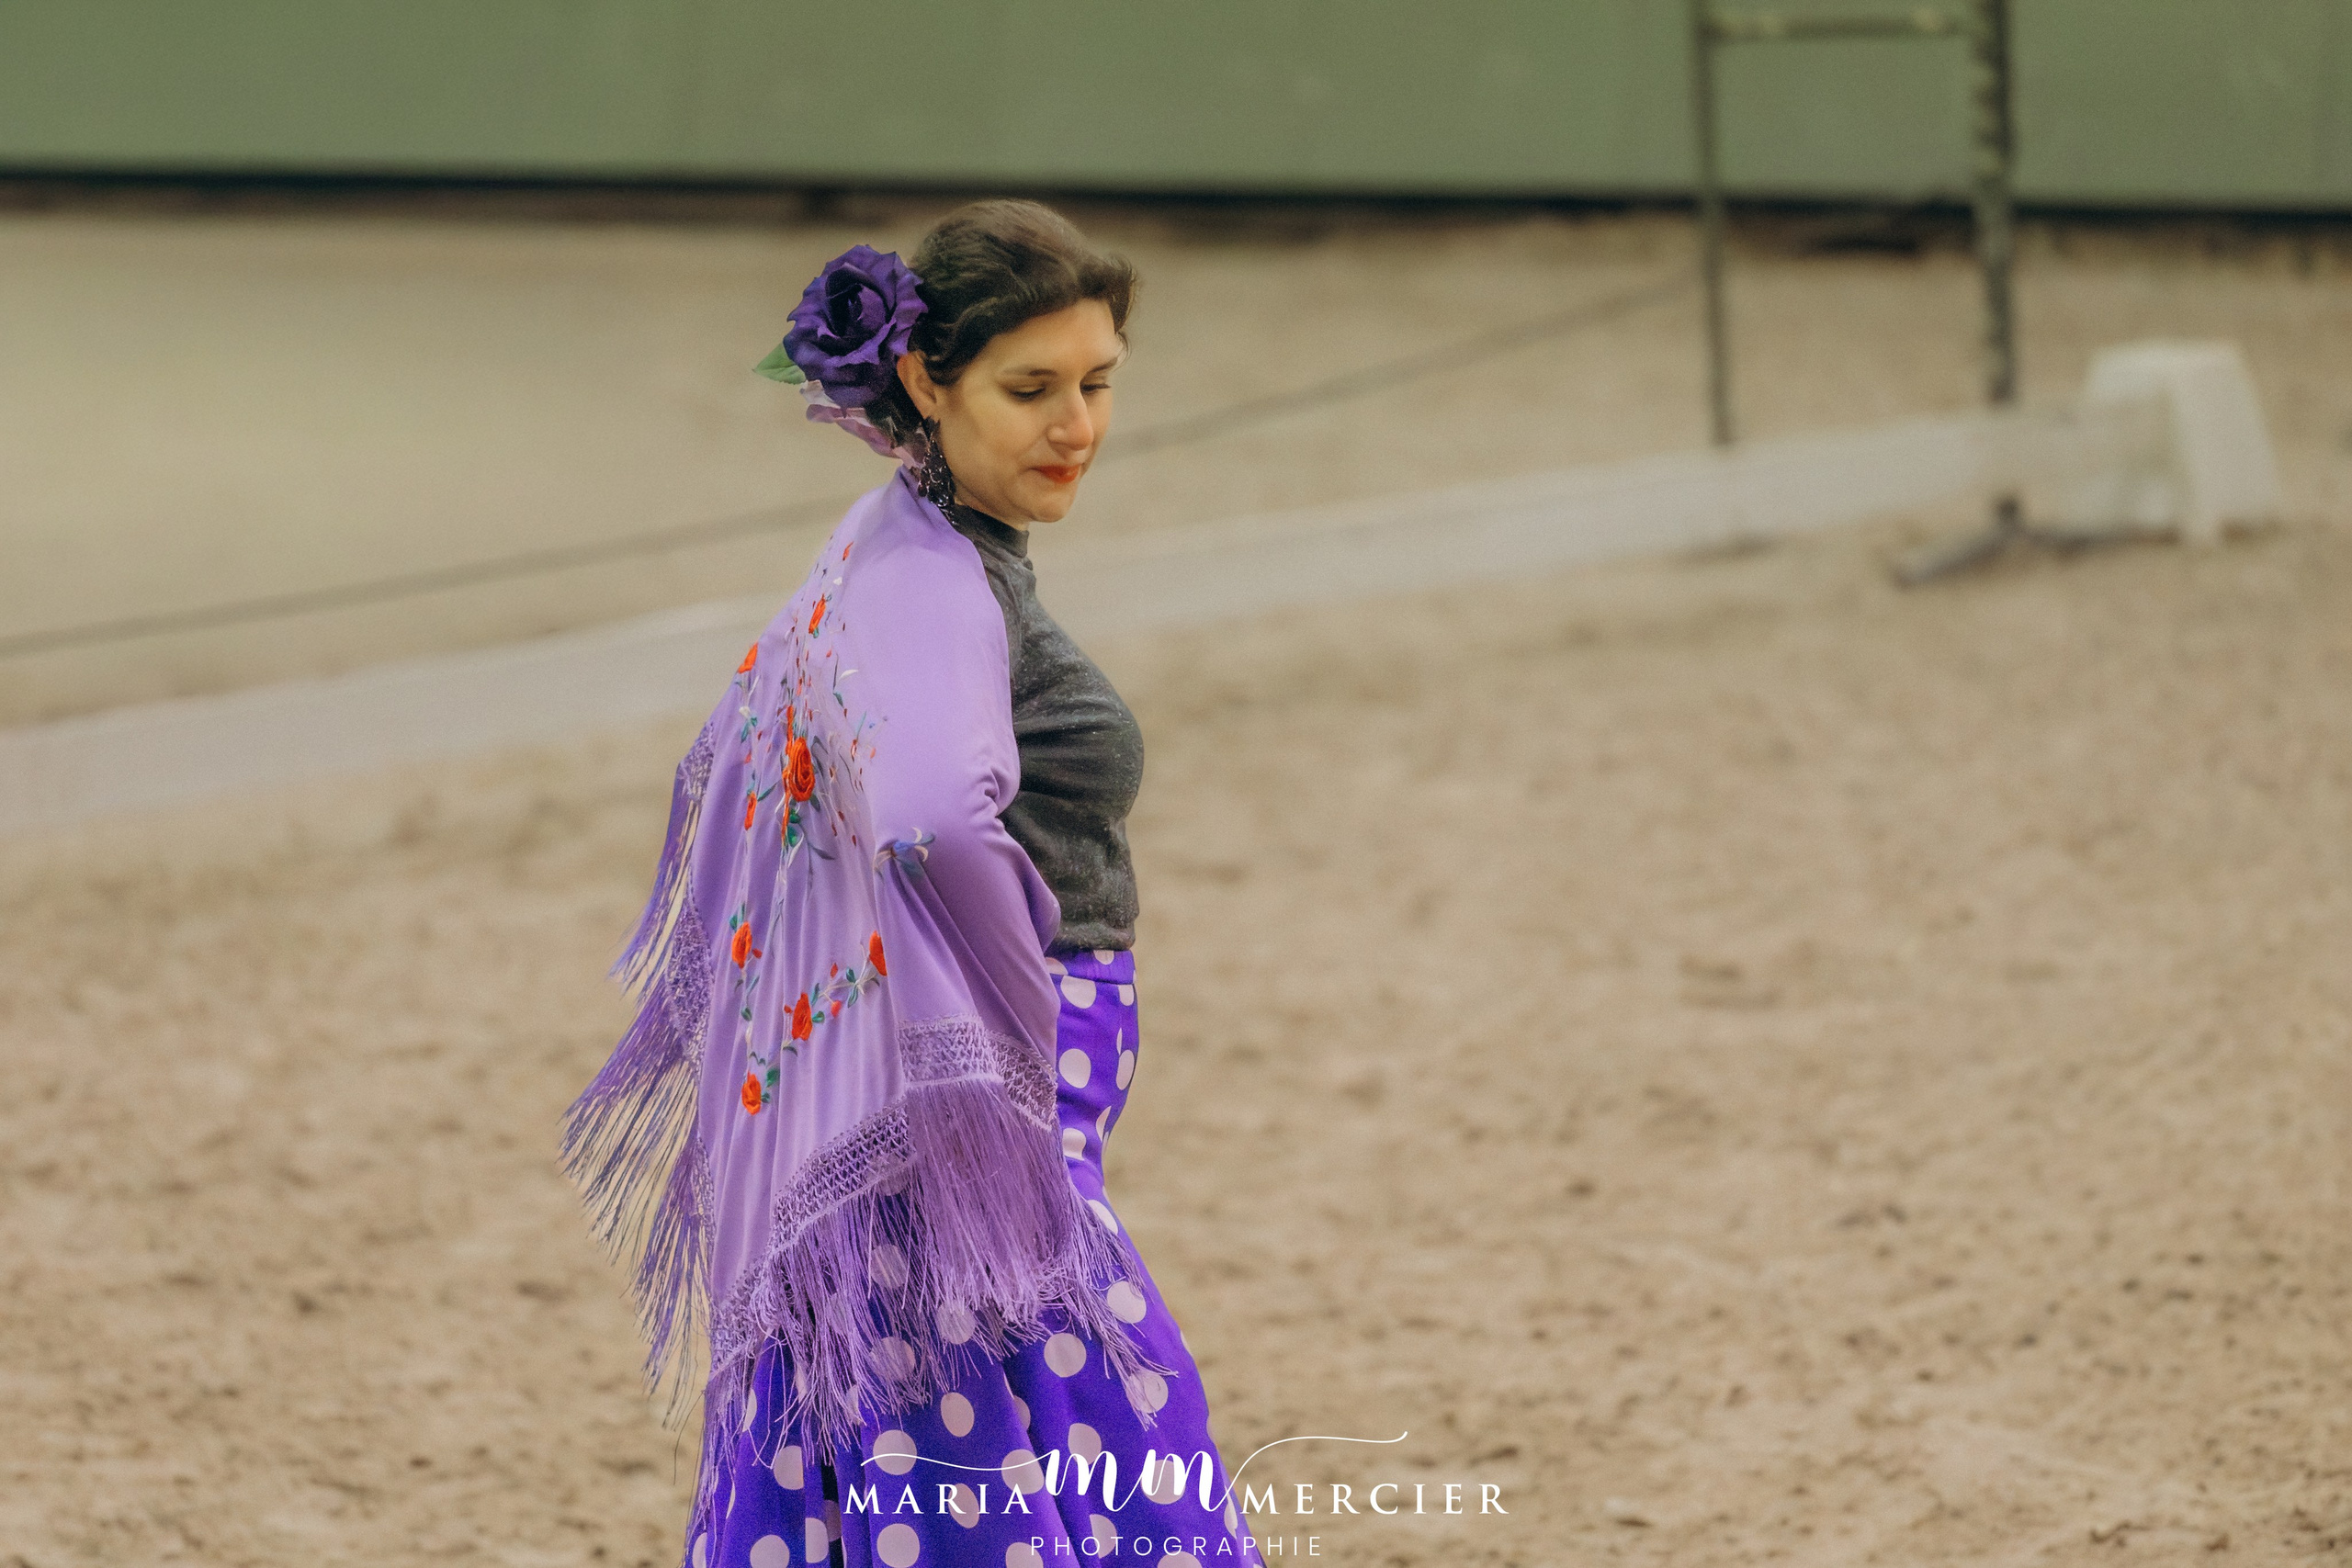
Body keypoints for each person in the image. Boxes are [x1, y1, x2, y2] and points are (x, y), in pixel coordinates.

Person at [564, 200, 1261, 1568]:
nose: (1077, 426)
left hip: (920, 1095)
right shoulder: (932, 580)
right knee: (1068, 1439)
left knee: (950, 1429)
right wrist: (1019, 1015)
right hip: (961, 1103)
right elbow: (934, 820)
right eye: (1031, 389)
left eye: (1099, 384)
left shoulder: (895, 549)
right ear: (923, 384)